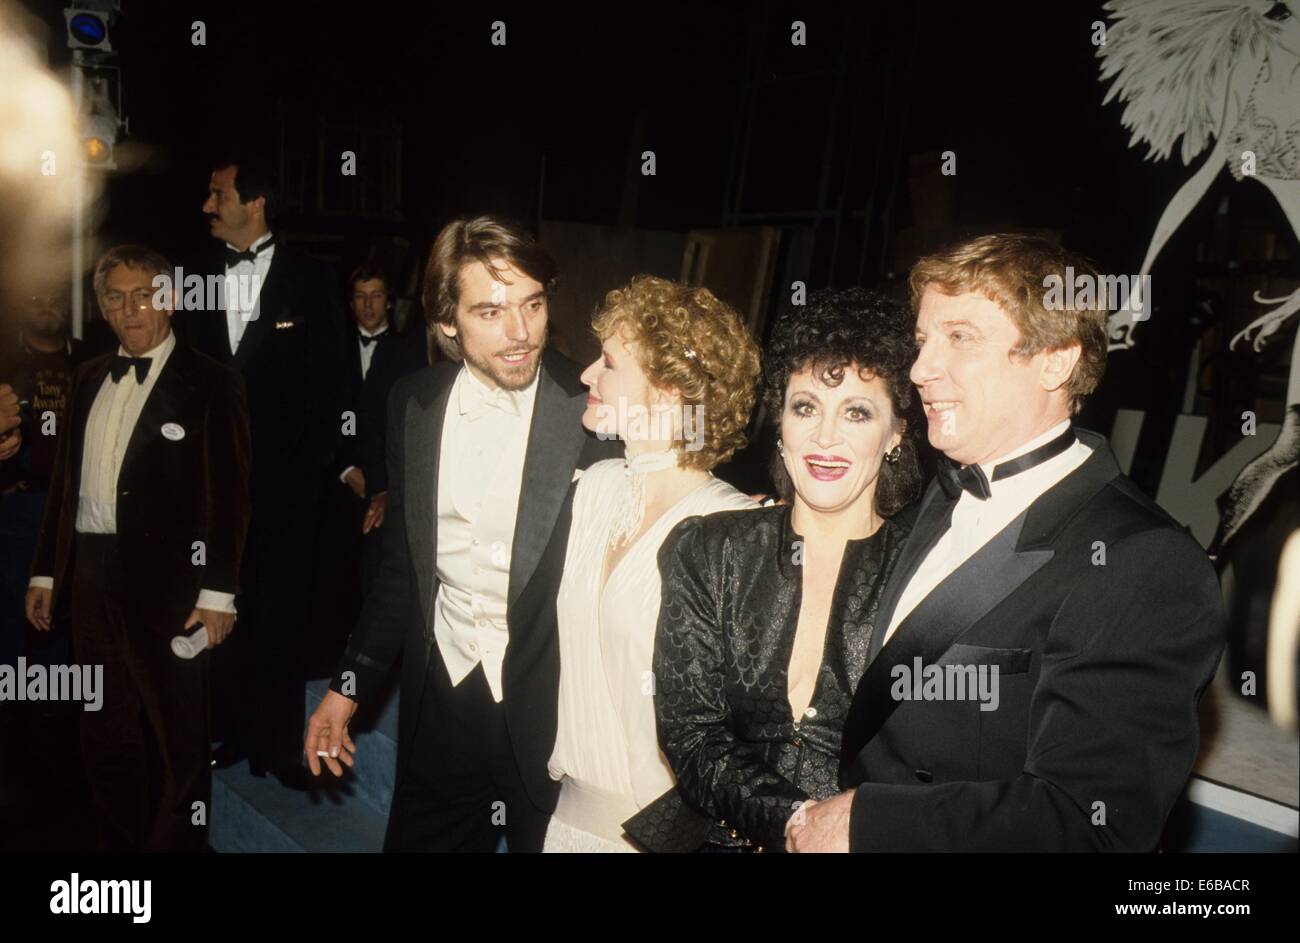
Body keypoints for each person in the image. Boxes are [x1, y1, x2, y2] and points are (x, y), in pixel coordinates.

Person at [787, 233, 1226, 852]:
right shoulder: (933, 499)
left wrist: (868, 823)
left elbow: (1089, 823)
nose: (919, 370)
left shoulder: (1144, 562)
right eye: (923, 341)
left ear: (1057, 361)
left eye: (960, 338)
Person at [304, 216, 620, 852]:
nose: (520, 333)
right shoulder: (413, 404)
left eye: (532, 305)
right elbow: (403, 567)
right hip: (443, 697)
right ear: (447, 321)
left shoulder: (593, 406)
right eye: (491, 311)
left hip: (554, 716)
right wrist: (349, 684)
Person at [653, 288, 923, 852]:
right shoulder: (711, 549)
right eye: (806, 408)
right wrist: (802, 824)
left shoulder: (927, 572)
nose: (826, 437)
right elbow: (692, 736)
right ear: (780, 422)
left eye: (857, 412)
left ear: (896, 432)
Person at [25, 245, 251, 852]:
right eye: (116, 297)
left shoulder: (211, 382)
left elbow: (228, 498)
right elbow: (64, 488)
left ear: (171, 299)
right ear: (101, 308)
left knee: (179, 736)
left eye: (144, 294)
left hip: (175, 586)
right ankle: (121, 854)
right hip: (92, 579)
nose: (131, 309)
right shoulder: (87, 377)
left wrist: (219, 593)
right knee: (105, 732)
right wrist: (47, 573)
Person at [542, 276, 761, 853]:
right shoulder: (594, 488)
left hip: (664, 838)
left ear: (665, 394)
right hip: (564, 823)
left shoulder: (734, 528)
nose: (587, 374)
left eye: (609, 363)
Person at [181, 153, 348, 787]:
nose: (206, 205)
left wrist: (311, 470)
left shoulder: (311, 279)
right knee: (218, 609)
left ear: (255, 203)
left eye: (217, 194)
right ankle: (226, 729)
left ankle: (277, 746)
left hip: (286, 491)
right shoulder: (195, 276)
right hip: (211, 490)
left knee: (280, 615)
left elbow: (331, 384)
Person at [0, 294, 82, 677]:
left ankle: (58, 704)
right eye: (34, 298)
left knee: (68, 607)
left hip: (78, 505)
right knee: (15, 608)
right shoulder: (6, 362)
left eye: (55, 298)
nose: (48, 306)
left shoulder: (91, 357)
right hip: (20, 505)